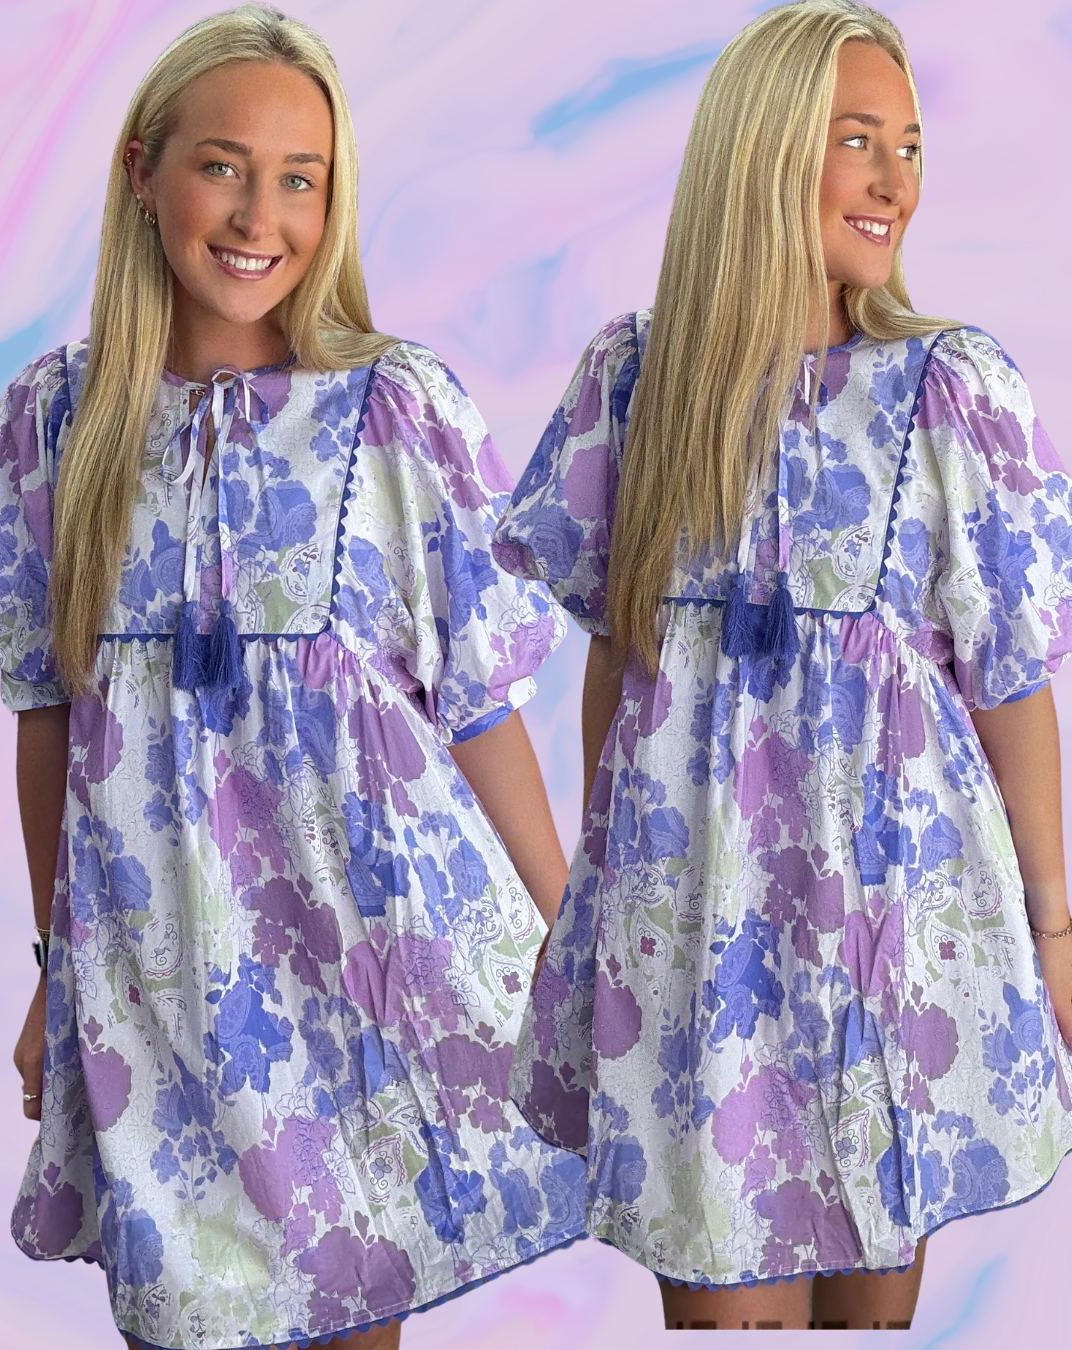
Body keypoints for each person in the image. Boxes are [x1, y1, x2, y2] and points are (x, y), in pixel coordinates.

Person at [0, 5, 584, 1347]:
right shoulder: (52, 424)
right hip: (160, 980)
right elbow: (47, 715)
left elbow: (478, 707)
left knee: (359, 1315)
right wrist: (55, 972)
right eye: (224, 166)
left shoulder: (393, 409)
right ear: (144, 173)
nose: (262, 215)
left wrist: (575, 942)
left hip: (371, 961)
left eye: (301, 179)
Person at [492, 0, 1072, 1331]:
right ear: (763, 149)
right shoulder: (637, 382)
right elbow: (619, 667)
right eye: (856, 139)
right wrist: (599, 907)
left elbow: (1010, 680)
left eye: (909, 147)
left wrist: (1054, 926)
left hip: (895, 933)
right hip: (696, 940)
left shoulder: (948, 389)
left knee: (870, 1307)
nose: (894, 181)